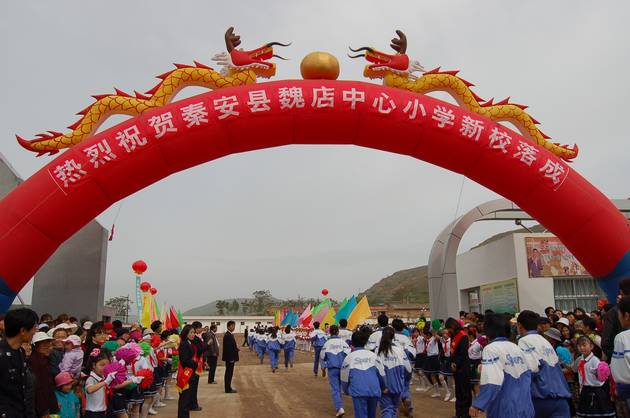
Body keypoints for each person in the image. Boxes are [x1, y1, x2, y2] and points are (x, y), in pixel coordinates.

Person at [470, 314, 534, 418]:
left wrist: (478, 404)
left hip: (504, 408)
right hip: (525, 406)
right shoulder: (516, 347)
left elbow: (492, 382)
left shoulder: (491, 349)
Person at [517, 310, 572, 418]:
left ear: (520, 325)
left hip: (541, 399)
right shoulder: (544, 341)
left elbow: (531, 369)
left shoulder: (524, 341)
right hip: (560, 397)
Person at [0, 308, 38, 417]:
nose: (35, 332)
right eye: (34, 328)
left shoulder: (20, 351)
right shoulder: (2, 355)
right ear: (22, 331)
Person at [341, 328, 385, 418]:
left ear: (352, 343)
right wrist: (383, 387)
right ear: (365, 342)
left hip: (358, 391)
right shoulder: (374, 356)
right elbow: (382, 374)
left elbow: (344, 378)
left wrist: (346, 390)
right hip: (374, 389)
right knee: (372, 415)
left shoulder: (349, 357)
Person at [575, 336, 615, 418]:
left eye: (584, 345)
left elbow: (602, 378)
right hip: (585, 389)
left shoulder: (595, 360)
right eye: (579, 345)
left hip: (596, 391)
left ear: (591, 346)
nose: (582, 348)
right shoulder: (580, 360)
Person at [377, 326, 412, 418]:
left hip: (384, 386)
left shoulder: (378, 351)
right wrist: (406, 385)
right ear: (393, 337)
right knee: (394, 409)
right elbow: (409, 369)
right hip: (398, 385)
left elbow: (377, 371)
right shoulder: (400, 350)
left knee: (387, 409)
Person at [321, 325, 351, 417]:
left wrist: (323, 368)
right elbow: (349, 354)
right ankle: (340, 405)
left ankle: (339, 408)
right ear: (338, 332)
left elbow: (322, 356)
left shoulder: (327, 343)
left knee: (335, 389)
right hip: (343, 369)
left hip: (332, 369)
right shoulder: (343, 343)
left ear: (330, 332)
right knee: (340, 388)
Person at [445, 317, 472, 418]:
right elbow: (452, 351)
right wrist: (451, 362)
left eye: (449, 328)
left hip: (463, 367)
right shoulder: (453, 335)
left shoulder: (463, 336)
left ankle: (465, 414)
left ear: (453, 326)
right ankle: (458, 413)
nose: (448, 331)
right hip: (456, 368)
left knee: (465, 392)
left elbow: (462, 353)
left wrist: (455, 363)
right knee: (458, 392)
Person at [30, 331, 60, 417]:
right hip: (41, 406)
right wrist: (43, 410)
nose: (48, 348)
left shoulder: (45, 359)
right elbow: (40, 387)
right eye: (44, 346)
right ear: (36, 347)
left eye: (49, 345)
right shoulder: (36, 361)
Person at [603, 277, 630, 361]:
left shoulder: (613, 312)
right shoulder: (614, 312)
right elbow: (606, 343)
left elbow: (606, 343)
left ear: (621, 292)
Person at [611, 296, 630, 414]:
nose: (619, 318)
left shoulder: (622, 337)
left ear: (626, 315)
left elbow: (618, 370)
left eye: (619, 315)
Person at [177, 325, 199, 418]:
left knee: (187, 398)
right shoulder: (184, 344)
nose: (193, 334)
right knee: (184, 399)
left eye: (194, 332)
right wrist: (195, 364)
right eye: (191, 332)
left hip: (190, 373)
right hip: (185, 374)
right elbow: (185, 360)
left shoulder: (188, 342)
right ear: (186, 333)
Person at [222, 320, 239, 394]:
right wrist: (231, 358)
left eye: (234, 326)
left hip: (230, 357)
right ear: (228, 326)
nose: (233, 327)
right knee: (228, 373)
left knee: (229, 373)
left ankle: (228, 387)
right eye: (232, 326)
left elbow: (231, 346)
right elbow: (228, 348)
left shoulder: (230, 334)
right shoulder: (228, 335)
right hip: (230, 358)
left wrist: (236, 349)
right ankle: (228, 389)